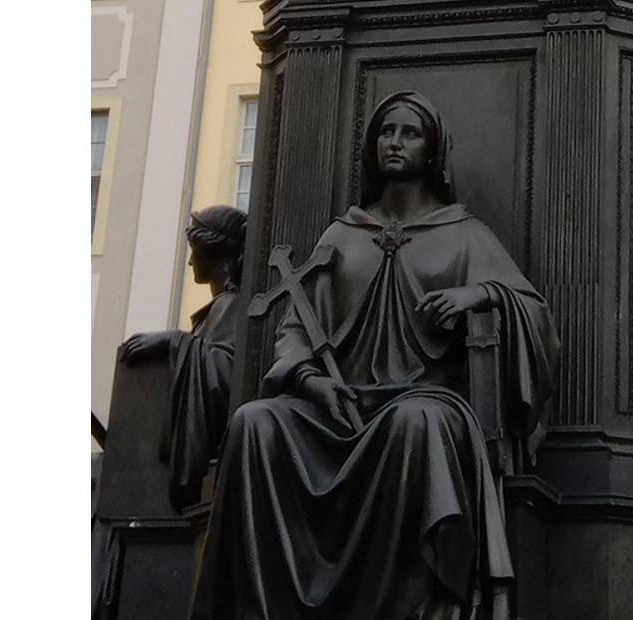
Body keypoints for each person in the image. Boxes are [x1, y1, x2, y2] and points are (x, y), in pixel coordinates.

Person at [189, 93, 559, 620]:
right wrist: (313, 383)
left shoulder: (464, 234)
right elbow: (295, 329)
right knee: (254, 423)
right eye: (387, 132)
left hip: (425, 399)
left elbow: (533, 314)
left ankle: (409, 606)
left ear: (433, 152)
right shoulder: (344, 234)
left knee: (417, 422)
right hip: (338, 405)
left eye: (410, 134)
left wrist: (477, 294)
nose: (395, 142)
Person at [115, 203, 248, 506]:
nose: (190, 262)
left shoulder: (230, 305)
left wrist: (173, 341)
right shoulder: (219, 309)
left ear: (214, 252)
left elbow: (225, 375)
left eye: (195, 250)